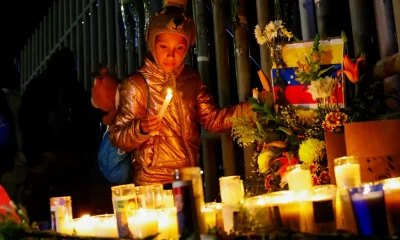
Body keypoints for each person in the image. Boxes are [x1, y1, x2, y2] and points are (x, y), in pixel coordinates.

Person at [109, 0, 252, 186]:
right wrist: (140, 129)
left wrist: (250, 110)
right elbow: (117, 137)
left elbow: (212, 120)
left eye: (179, 48)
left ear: (186, 50)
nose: (171, 55)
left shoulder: (191, 80)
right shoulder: (137, 85)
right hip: (153, 183)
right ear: (152, 44)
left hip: (188, 177)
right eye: (163, 47)